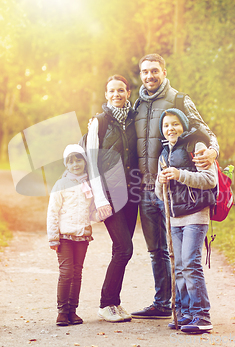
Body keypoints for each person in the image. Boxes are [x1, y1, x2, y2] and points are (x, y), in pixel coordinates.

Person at [131, 53, 220, 319]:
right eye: (145, 71)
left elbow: (205, 131)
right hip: (148, 187)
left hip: (175, 190)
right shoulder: (137, 105)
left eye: (154, 71)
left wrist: (213, 151)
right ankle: (163, 304)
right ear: (141, 74)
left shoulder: (180, 100)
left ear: (164, 72)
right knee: (156, 250)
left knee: (180, 254)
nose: (149, 76)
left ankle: (189, 309)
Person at [155, 108, 217, 332]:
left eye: (175, 124)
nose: (170, 129)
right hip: (175, 217)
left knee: (190, 264)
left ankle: (202, 316)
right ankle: (184, 314)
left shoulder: (197, 146)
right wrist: (161, 180)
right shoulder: (164, 154)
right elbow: (160, 194)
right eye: (166, 125)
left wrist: (180, 174)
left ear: (183, 125)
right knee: (179, 267)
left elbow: (210, 180)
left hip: (196, 213)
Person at [86, 75, 139, 322]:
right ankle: (106, 304)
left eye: (121, 90)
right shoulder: (99, 122)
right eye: (111, 91)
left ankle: (114, 303)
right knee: (124, 248)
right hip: (109, 195)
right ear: (105, 94)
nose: (116, 94)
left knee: (122, 250)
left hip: (132, 195)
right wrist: (100, 199)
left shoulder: (135, 119)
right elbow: (91, 163)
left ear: (128, 92)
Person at [47, 144, 98, 326]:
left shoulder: (89, 184)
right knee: (66, 273)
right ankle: (62, 311)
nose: (75, 164)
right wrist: (53, 236)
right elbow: (53, 211)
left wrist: (103, 214)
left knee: (77, 274)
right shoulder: (61, 184)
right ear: (66, 164)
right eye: (71, 161)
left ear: (85, 161)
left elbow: (91, 211)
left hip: (82, 236)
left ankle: (72, 311)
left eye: (78, 159)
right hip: (64, 236)